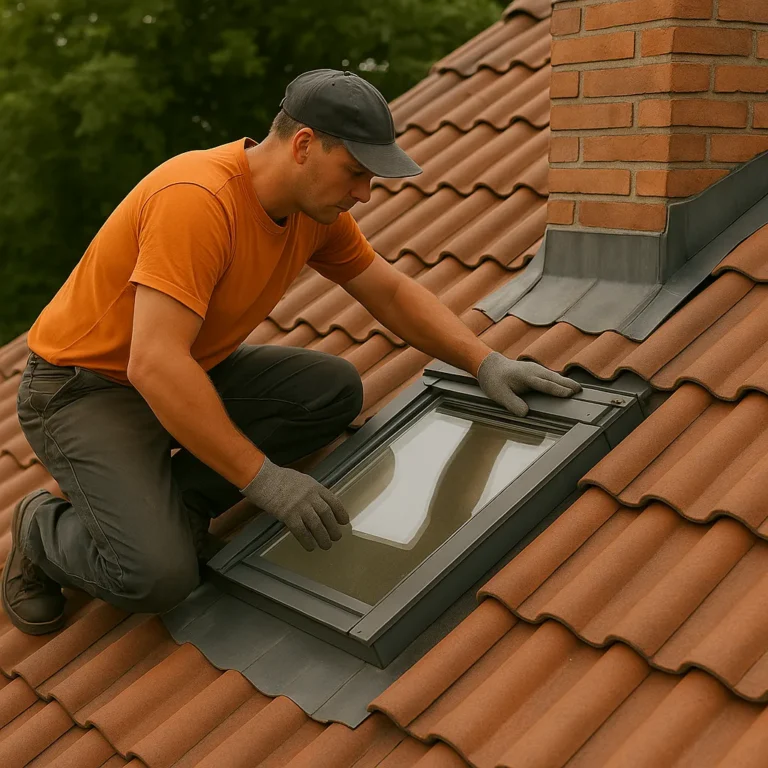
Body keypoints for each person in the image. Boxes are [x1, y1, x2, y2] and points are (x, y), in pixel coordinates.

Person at [4, 69, 581, 636]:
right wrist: (266, 481)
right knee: (157, 578)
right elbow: (153, 363)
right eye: (355, 172)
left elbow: (390, 291)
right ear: (303, 145)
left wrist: (486, 362)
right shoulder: (197, 201)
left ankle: (176, 507)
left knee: (329, 390)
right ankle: (41, 527)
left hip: (184, 369)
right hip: (85, 390)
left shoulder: (314, 212)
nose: (364, 193)